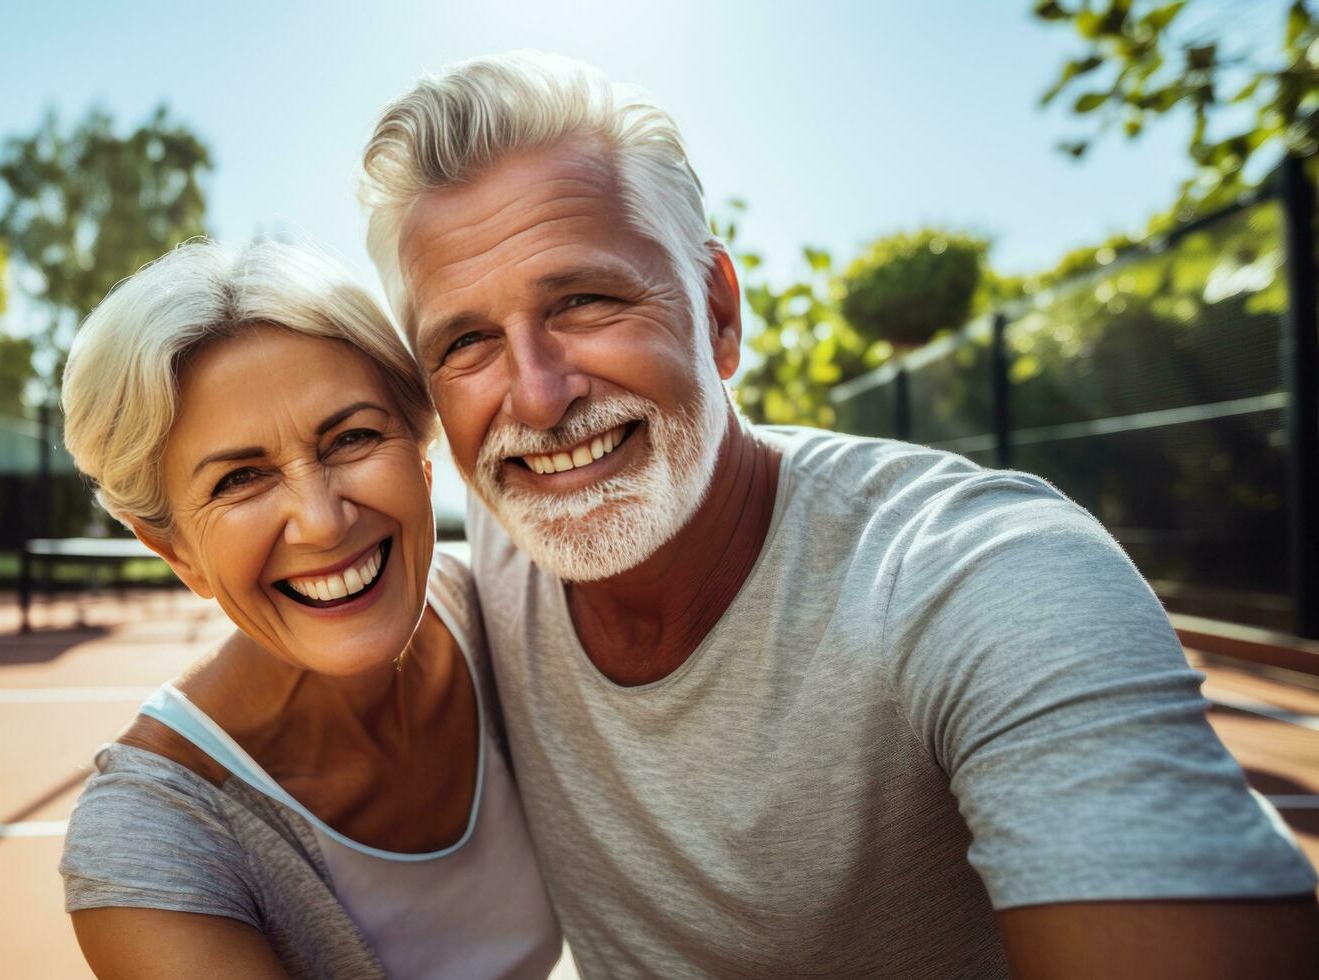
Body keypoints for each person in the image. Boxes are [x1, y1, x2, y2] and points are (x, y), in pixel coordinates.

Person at [358, 50, 1319, 978]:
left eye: (584, 300)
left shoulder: (981, 574)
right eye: (465, 343)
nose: (533, 397)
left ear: (719, 312)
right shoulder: (498, 537)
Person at [56, 239, 561, 979]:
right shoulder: (151, 840)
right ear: (175, 552)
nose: (321, 521)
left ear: (423, 461)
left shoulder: (512, 602)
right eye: (240, 480)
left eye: (351, 438)